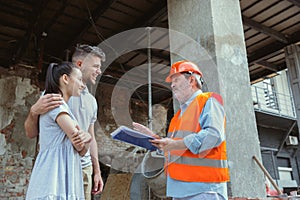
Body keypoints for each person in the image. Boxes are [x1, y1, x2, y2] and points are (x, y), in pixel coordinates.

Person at [133, 60, 229, 200]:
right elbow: (175, 148)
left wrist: (175, 144)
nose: (172, 85)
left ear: (191, 80)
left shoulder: (209, 101)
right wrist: (154, 139)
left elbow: (212, 135)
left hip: (204, 189)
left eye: (176, 80)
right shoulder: (178, 116)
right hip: (180, 190)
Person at [24, 44, 106, 200]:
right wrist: (33, 112)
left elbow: (90, 136)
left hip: (82, 166)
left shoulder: (91, 101)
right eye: (96, 66)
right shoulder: (53, 98)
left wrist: (97, 171)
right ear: (80, 64)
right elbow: (31, 133)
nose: (99, 71)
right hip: (58, 166)